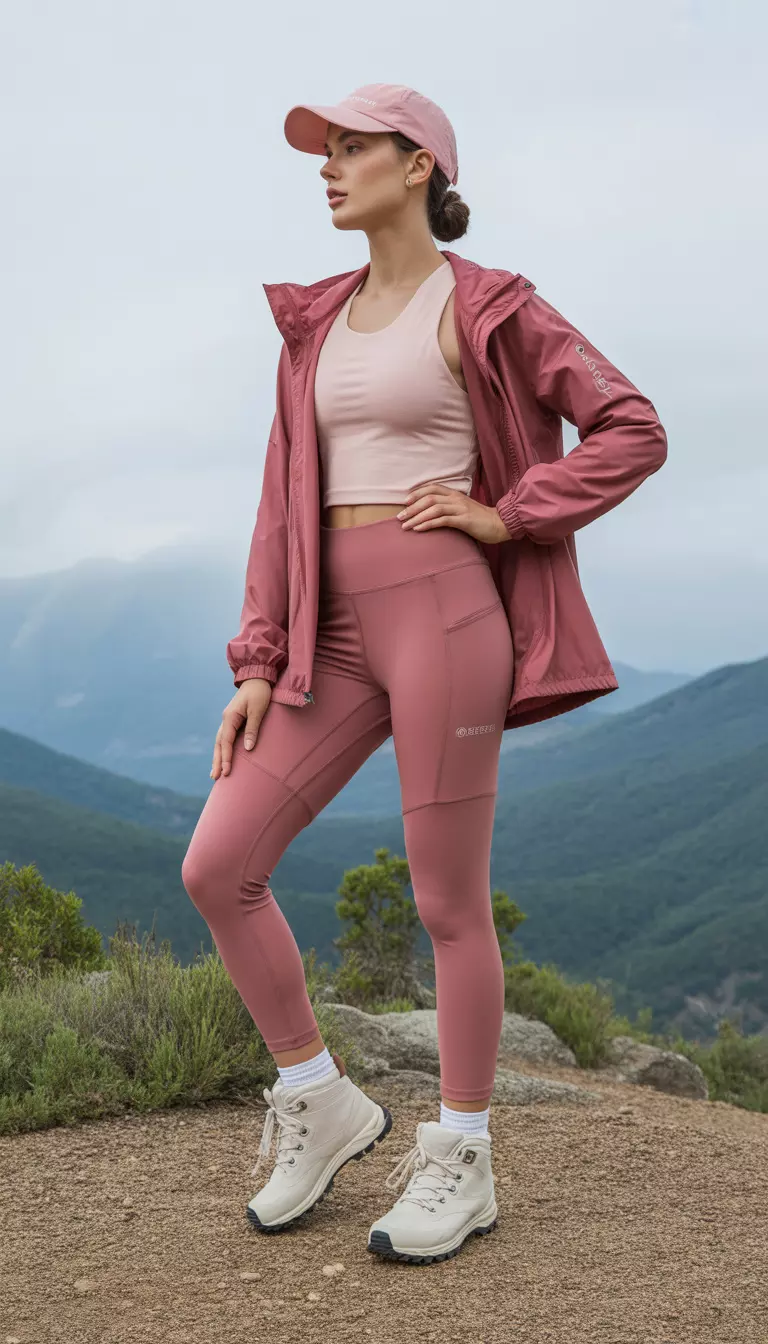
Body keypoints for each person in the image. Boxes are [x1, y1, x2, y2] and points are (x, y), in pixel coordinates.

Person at [180, 82, 667, 1264]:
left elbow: (631, 427)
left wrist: (511, 515)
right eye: (325, 150)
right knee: (217, 865)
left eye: (352, 148)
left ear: (418, 165)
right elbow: (275, 508)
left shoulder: (492, 306)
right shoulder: (317, 323)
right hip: (328, 632)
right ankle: (322, 1099)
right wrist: (258, 658)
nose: (329, 166)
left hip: (447, 616)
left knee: (447, 900)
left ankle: (463, 1157)